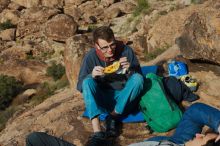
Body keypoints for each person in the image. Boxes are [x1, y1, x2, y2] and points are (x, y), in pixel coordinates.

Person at [76, 26, 144, 145]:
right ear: (96, 46)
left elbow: (139, 78)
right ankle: (97, 132)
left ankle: (112, 116)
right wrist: (91, 75)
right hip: (103, 98)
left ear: (114, 39)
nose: (110, 50)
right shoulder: (90, 57)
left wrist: (130, 70)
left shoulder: (126, 51)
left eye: (112, 45)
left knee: (138, 79)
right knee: (87, 81)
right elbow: (80, 85)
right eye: (104, 47)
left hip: (125, 98)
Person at [129, 103, 220, 146]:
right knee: (194, 110)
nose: (198, 134)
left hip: (171, 142)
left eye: (202, 137)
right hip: (176, 142)